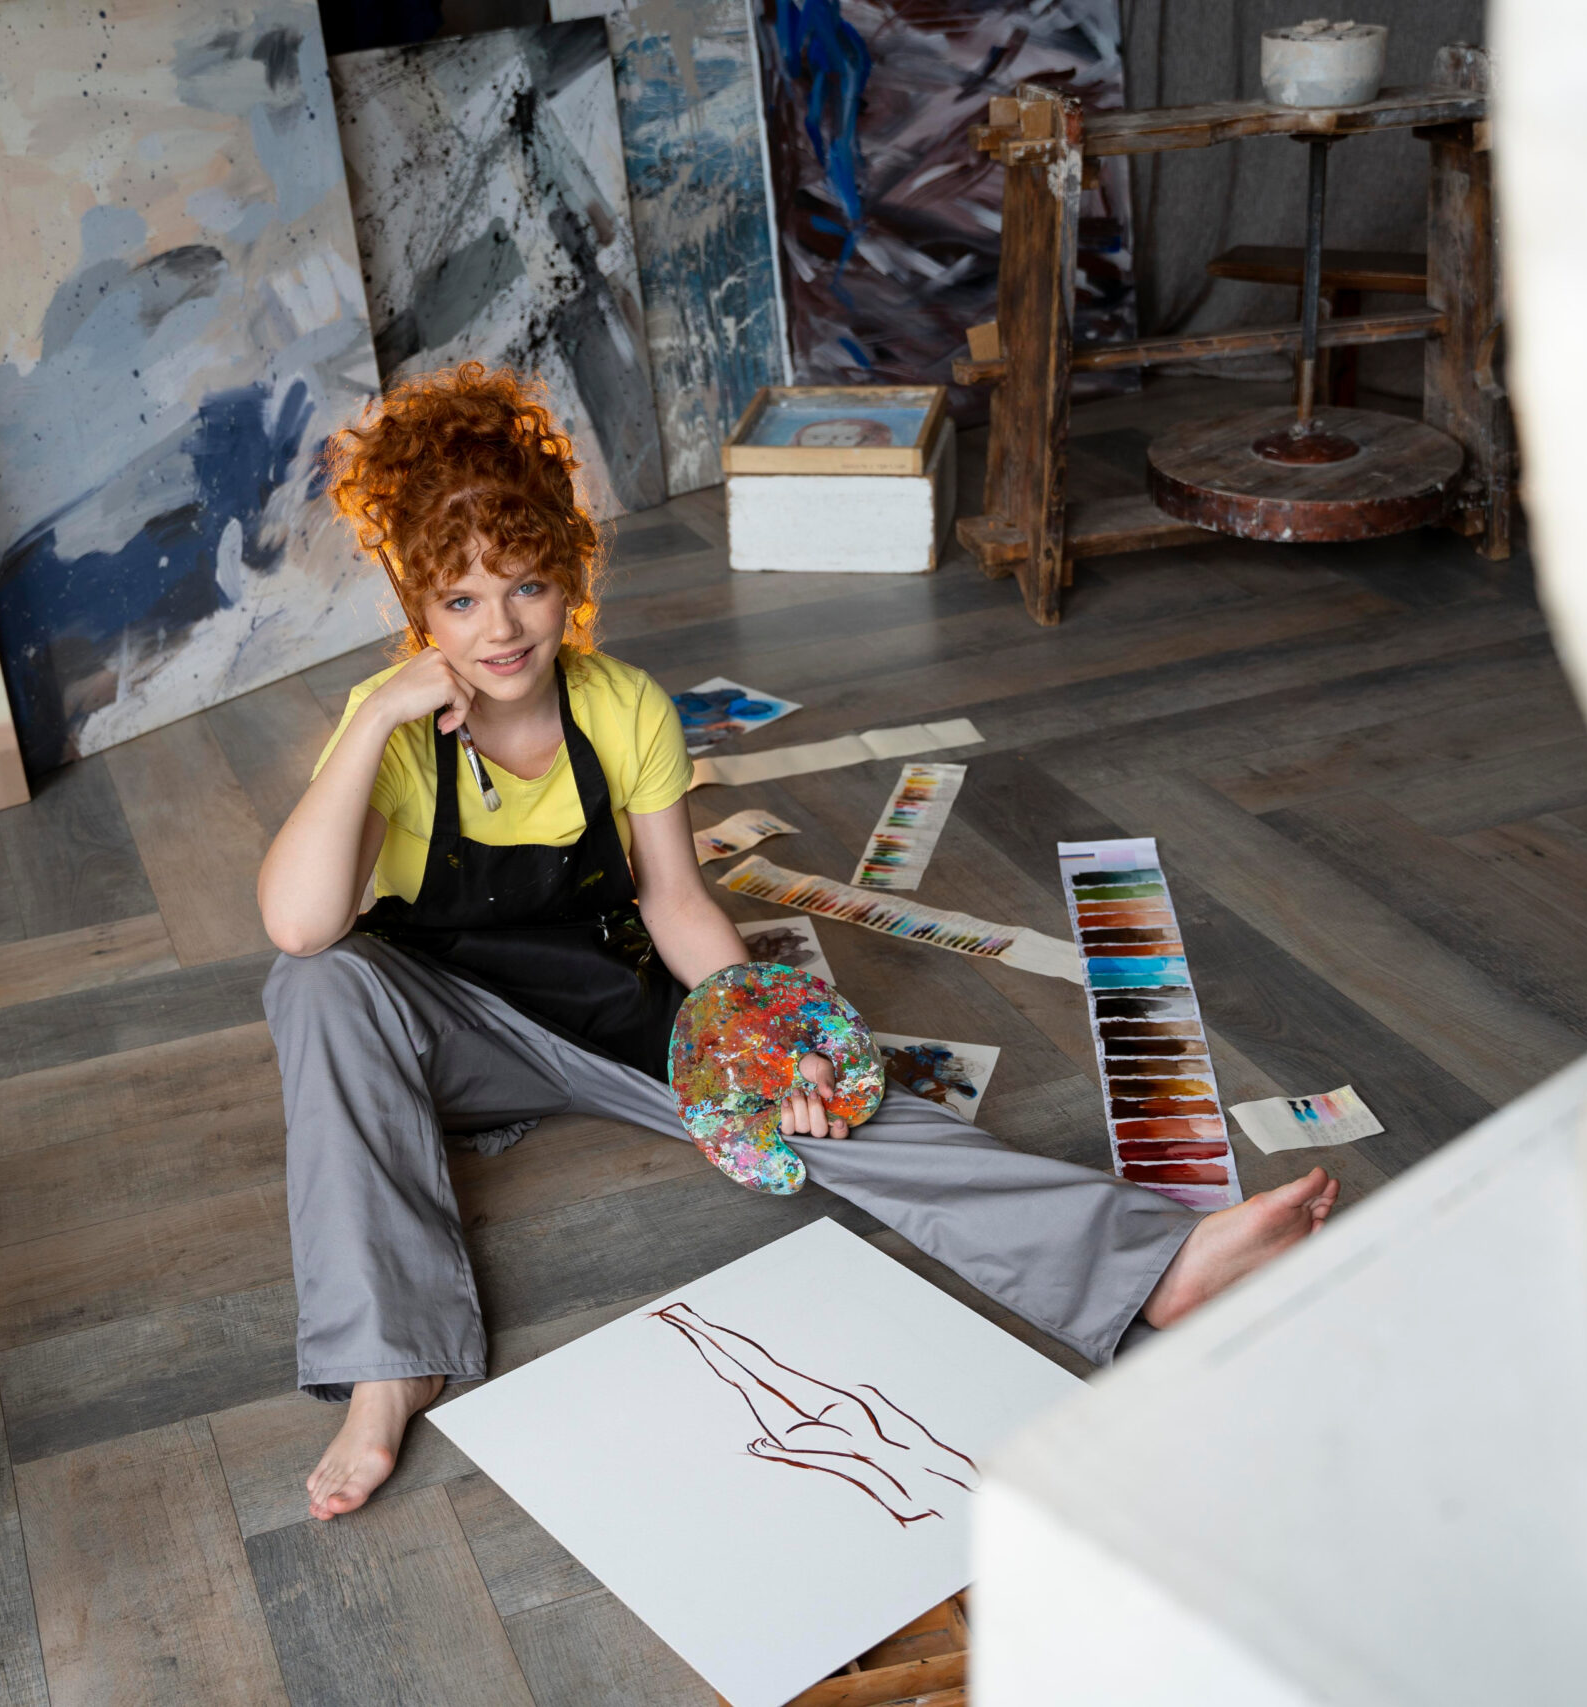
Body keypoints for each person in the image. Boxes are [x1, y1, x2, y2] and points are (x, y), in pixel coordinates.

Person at [256, 364, 1340, 1522]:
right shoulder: (397, 734)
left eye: (523, 587)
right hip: (446, 1028)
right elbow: (300, 922)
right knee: (315, 985)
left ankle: (1147, 1270)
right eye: (460, 601)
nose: (500, 626)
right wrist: (373, 715)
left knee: (837, 1106)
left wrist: (773, 1045)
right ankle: (391, 1362)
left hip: (608, 1008)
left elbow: (675, 901)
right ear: (416, 606)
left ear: (566, 572)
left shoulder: (620, 706)